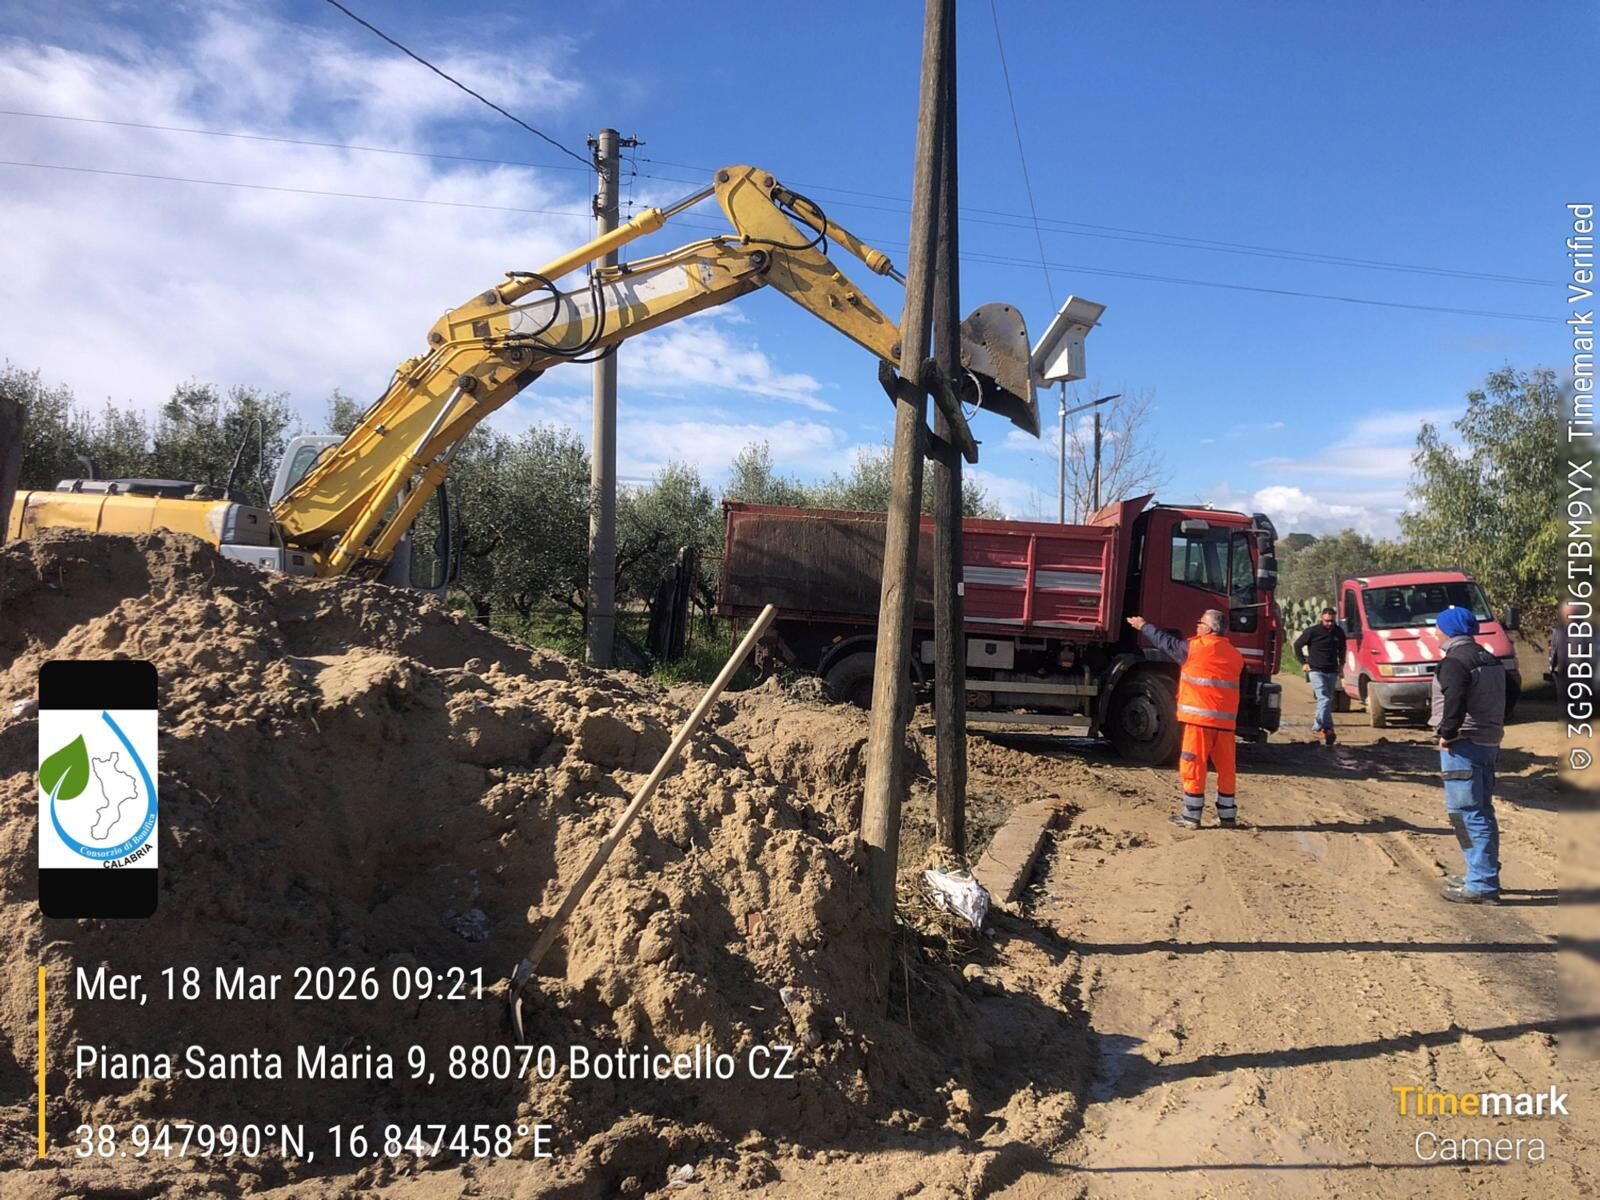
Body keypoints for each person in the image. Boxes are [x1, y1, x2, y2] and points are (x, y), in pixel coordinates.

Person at [1127, 609, 1246, 829]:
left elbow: (1165, 643)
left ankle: (1191, 816)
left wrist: (1143, 626)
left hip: (1199, 722)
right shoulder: (1235, 655)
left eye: (1200, 623)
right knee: (1226, 769)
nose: (1197, 626)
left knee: (1193, 765)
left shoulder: (1195, 649)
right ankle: (1228, 816)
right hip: (1226, 725)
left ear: (1209, 629)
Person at [1431, 605, 1506, 905]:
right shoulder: (1489, 658)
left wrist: (1447, 733)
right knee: (1482, 811)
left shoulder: (1455, 661)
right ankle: (1481, 871)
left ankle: (1482, 883)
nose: (1435, 632)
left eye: (1438, 627)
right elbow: (1509, 694)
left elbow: (1455, 701)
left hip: (1463, 745)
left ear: (1449, 630)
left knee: (1466, 814)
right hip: (1488, 741)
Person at [1294, 607, 1347, 745]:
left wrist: (1341, 666)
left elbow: (1342, 650)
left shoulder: (1338, 632)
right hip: (1316, 670)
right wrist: (1304, 663)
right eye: (1327, 621)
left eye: (1332, 621)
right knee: (1323, 698)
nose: (1329, 623)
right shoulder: (1313, 631)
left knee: (1326, 700)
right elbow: (1297, 645)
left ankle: (1327, 728)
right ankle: (1318, 727)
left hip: (1332, 670)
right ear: (1321, 619)